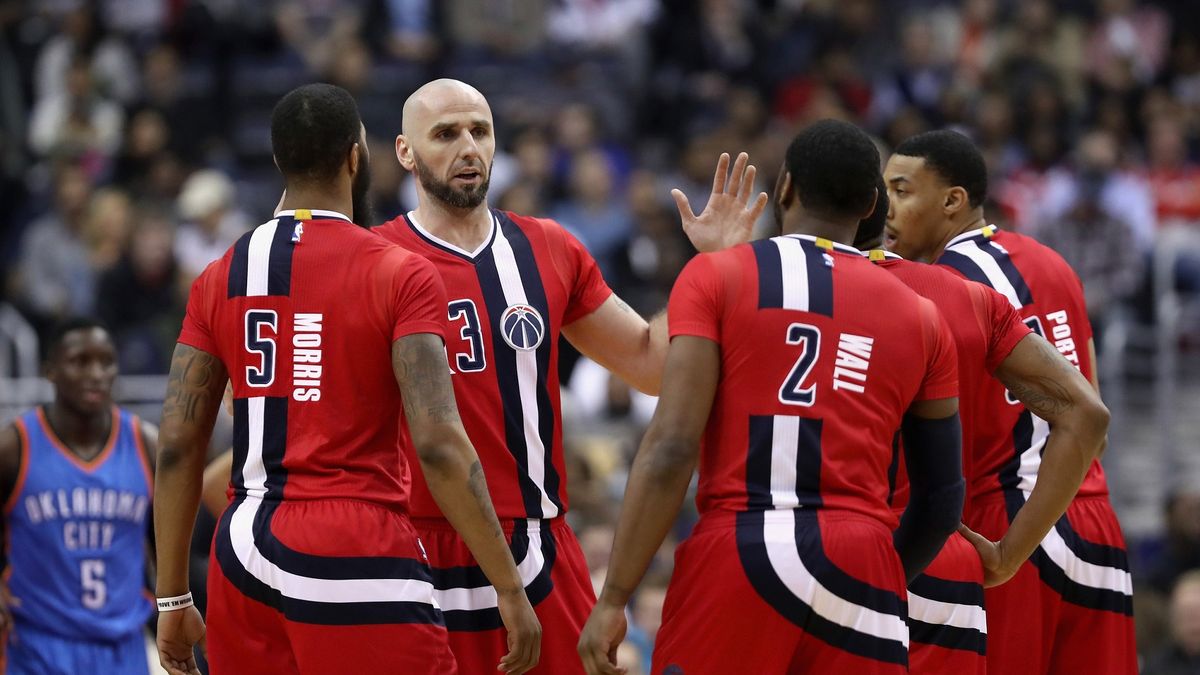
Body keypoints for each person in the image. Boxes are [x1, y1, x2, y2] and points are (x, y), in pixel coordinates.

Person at [373, 78, 765, 674]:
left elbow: (650, 364)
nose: (467, 148)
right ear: (406, 152)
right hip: (422, 544)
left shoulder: (549, 246)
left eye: (479, 131)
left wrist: (710, 263)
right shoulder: (376, 259)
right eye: (445, 134)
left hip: (540, 541)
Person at [152, 83, 540, 675]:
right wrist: (510, 588)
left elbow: (178, 447)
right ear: (357, 157)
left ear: (280, 161)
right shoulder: (399, 272)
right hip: (355, 541)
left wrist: (174, 596)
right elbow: (438, 444)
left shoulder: (222, 271)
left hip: (245, 543)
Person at [578, 119, 965, 675]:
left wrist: (615, 596)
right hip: (861, 552)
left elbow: (669, 449)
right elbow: (942, 496)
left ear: (784, 190)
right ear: (872, 206)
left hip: (742, 546)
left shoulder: (717, 275)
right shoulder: (922, 316)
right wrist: (875, 577)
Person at [883, 129, 1136, 674]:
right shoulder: (1055, 263)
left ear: (952, 200)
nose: (886, 209)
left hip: (1005, 523)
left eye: (901, 191)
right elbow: (1096, 421)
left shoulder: (934, 288)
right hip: (1093, 518)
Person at [0, 318, 157, 674]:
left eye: (106, 362)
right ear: (50, 371)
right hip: (36, 645)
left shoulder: (146, 444)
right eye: (80, 362)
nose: (97, 374)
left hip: (123, 645)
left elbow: (166, 547)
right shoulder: (15, 447)